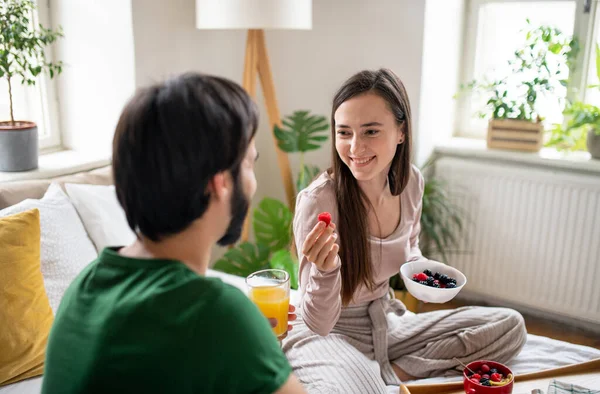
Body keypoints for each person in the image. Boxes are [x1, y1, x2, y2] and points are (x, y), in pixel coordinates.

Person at [42, 73, 306, 394]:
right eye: (250, 164)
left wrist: (249, 348)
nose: (252, 183)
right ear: (220, 183)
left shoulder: (85, 286)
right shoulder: (216, 312)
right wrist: (244, 337)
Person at [283, 69, 527, 393]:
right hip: (328, 332)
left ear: (401, 131)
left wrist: (420, 273)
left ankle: (393, 372)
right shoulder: (320, 202)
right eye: (344, 132)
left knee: (509, 326)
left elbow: (410, 247)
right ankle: (366, 375)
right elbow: (318, 322)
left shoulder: (410, 182)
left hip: (385, 321)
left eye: (370, 131)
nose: (355, 147)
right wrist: (327, 271)